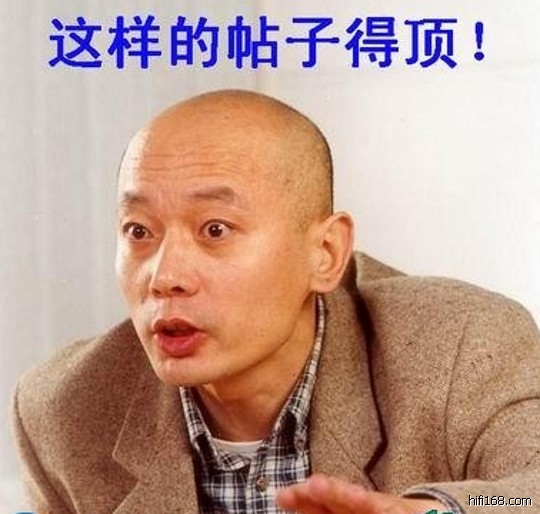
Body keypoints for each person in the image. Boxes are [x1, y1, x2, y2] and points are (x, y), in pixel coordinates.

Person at [11, 90, 540, 514]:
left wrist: (438, 511)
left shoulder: (460, 347)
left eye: (215, 229)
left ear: (325, 253)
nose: (165, 277)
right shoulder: (64, 411)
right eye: (138, 231)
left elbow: (524, 495)